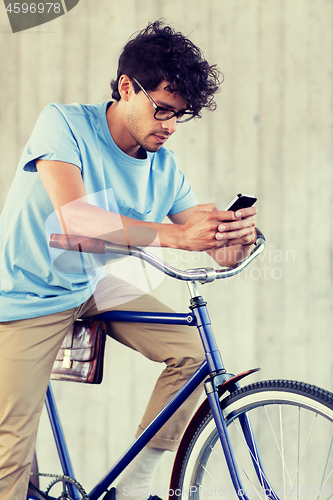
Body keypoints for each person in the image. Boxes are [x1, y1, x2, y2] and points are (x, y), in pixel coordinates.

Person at [0, 20, 257, 500]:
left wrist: (234, 236)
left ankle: (134, 483)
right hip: (25, 293)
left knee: (193, 353)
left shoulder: (165, 167)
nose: (170, 126)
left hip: (92, 286)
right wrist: (178, 235)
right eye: (163, 109)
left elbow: (213, 251)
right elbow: (77, 222)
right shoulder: (64, 124)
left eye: (180, 115)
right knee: (9, 458)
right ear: (126, 87)